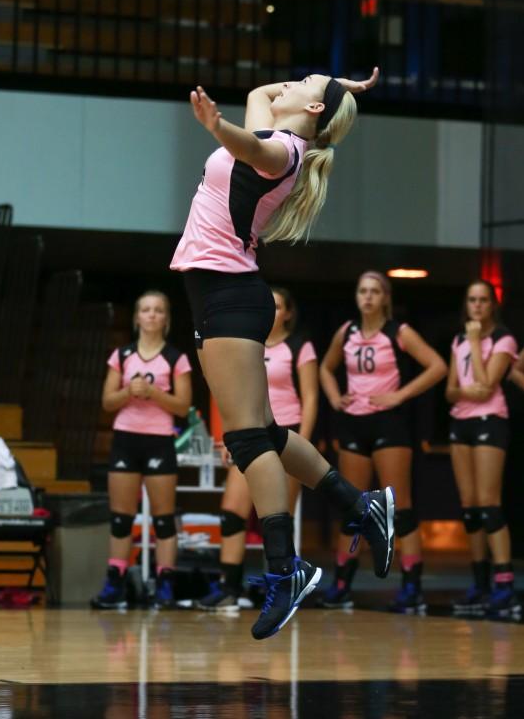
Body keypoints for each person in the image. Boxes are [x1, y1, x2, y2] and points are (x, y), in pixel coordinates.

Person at [170, 69, 397, 641]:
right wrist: (332, 85)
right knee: (264, 433)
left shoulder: (284, 153)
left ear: (314, 110)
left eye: (303, 82)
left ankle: (284, 567)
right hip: (219, 295)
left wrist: (216, 125)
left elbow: (248, 141)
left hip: (227, 294)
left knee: (246, 438)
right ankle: (360, 507)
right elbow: (258, 96)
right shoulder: (287, 139)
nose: (288, 82)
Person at [318, 270, 447, 613]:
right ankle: (342, 583)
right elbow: (325, 368)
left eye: (375, 291)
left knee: (399, 508)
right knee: (353, 508)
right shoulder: (346, 332)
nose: (368, 297)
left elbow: (437, 366)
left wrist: (400, 395)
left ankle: (411, 587)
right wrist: (334, 397)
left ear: (385, 298)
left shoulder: (398, 332)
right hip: (353, 424)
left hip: (390, 424)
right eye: (363, 291)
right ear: (357, 296)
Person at [198, 285, 319, 611]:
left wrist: (302, 447)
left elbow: (310, 399)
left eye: (280, 306)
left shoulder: (299, 346)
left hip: (285, 436)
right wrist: (227, 436)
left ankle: (283, 587)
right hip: (249, 434)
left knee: (279, 518)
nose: (274, 311)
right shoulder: (245, 342)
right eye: (271, 305)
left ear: (287, 314)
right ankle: (229, 588)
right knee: (232, 512)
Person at [91, 291, 192, 610]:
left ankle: (164, 584)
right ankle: (115, 583)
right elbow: (107, 402)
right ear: (136, 318)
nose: (151, 315)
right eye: (145, 310)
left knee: (163, 520)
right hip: (126, 437)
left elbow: (183, 407)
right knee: (122, 518)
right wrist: (127, 392)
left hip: (159, 439)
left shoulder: (176, 358)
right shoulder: (121, 356)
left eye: (158, 310)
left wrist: (153, 393)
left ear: (166, 318)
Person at [445, 279, 520, 619]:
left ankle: (505, 585)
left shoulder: (503, 339)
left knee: (490, 505)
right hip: (461, 423)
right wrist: (465, 392)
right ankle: (480, 584)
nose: (477, 306)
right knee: (470, 508)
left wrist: (476, 342)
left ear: (492, 305)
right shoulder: (458, 339)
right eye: (472, 300)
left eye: (483, 300)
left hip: (491, 420)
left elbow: (487, 385)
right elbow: (451, 391)